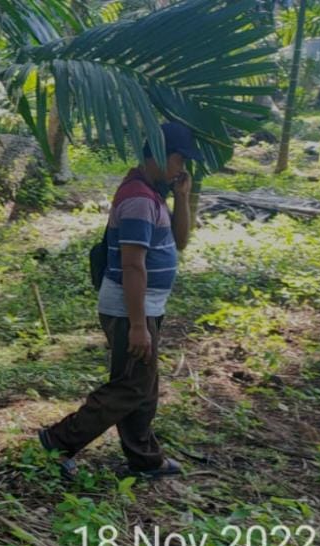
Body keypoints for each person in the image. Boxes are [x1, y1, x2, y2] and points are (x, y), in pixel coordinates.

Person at [37, 121, 200, 479]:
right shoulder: (139, 199)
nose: (182, 168)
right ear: (158, 155)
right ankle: (58, 439)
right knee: (133, 385)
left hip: (145, 307)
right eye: (179, 159)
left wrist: (183, 197)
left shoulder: (153, 193)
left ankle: (144, 457)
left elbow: (181, 241)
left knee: (143, 384)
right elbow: (131, 264)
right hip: (130, 310)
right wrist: (139, 325)